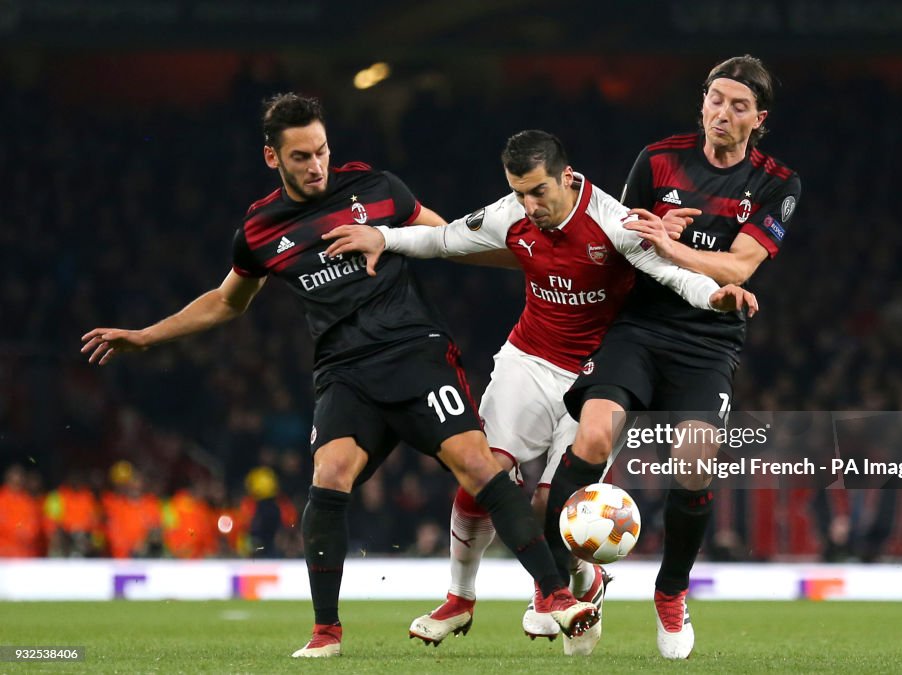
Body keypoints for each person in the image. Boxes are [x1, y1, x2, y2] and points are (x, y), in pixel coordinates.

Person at [80, 93, 599, 657]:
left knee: (478, 464)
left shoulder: (377, 190)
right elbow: (228, 303)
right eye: (301, 156)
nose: (316, 165)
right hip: (344, 371)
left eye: (322, 150)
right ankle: (326, 632)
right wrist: (146, 336)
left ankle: (552, 593)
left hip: (413, 350)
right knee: (328, 476)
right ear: (271, 158)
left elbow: (447, 239)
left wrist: (542, 261)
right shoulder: (259, 231)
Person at [322, 129, 757, 655]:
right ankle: (460, 598)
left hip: (596, 373)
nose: (530, 205)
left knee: (555, 501)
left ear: (566, 177)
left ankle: (572, 587)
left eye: (539, 192)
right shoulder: (511, 214)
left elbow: (669, 274)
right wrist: (385, 238)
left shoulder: (613, 221)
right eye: (519, 192)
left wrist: (717, 296)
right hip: (528, 360)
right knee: (483, 475)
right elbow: (441, 240)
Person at [542, 55, 802, 659]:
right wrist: (651, 231)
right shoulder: (657, 159)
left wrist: (671, 243)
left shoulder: (776, 184)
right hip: (639, 327)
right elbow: (627, 243)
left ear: (757, 119)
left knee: (693, 462)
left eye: (739, 106)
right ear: (702, 102)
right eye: (716, 99)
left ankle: (671, 591)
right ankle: (568, 587)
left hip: (708, 341)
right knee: (593, 439)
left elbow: (740, 266)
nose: (723, 113)